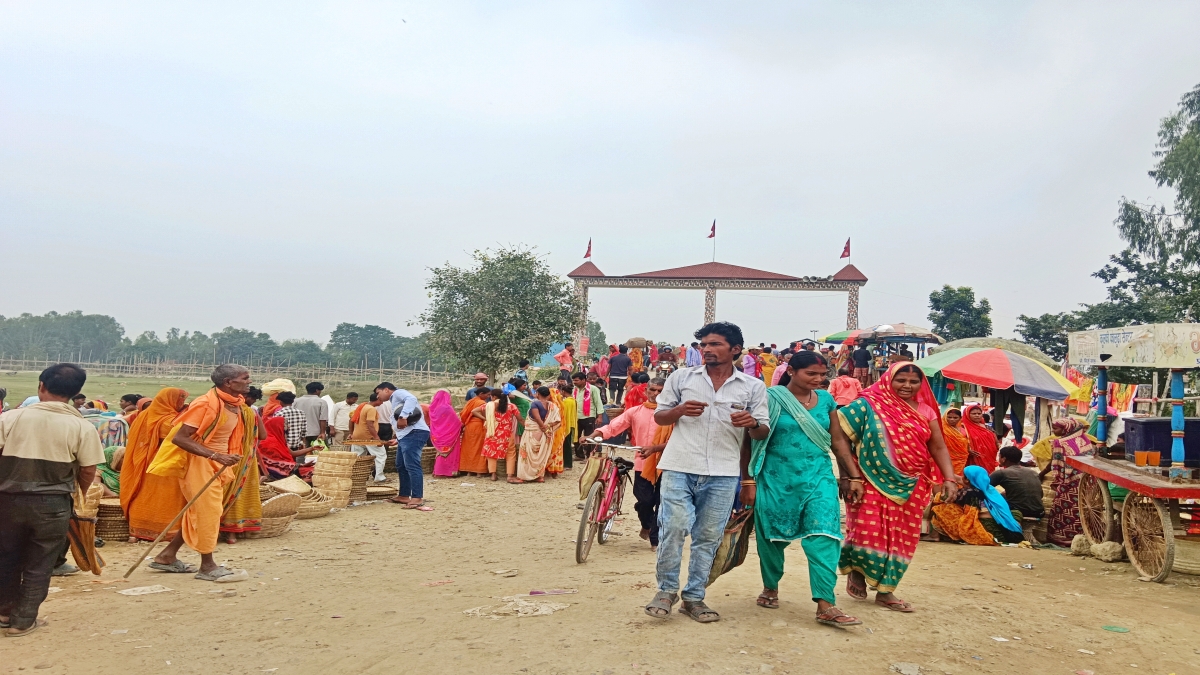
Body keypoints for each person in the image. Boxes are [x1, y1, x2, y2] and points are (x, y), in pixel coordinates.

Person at [645, 321, 769, 624]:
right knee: (673, 527)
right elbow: (660, 416)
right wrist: (679, 411)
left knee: (708, 536)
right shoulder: (681, 377)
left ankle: (694, 597)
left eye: (714, 344)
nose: (706, 350)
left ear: (735, 349)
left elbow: (763, 431)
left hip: (724, 472)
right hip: (679, 465)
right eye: (703, 345)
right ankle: (666, 590)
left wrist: (750, 423)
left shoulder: (752, 387)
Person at [743, 351, 863, 626]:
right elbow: (748, 440)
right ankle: (770, 585)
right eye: (812, 374)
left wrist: (851, 476)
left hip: (818, 477)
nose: (819, 379)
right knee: (772, 537)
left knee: (825, 534)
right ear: (792, 372)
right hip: (775, 478)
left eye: (823, 374)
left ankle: (825, 603)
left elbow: (838, 441)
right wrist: (748, 481)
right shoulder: (770, 397)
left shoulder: (827, 400)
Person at [837, 362, 959, 613]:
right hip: (869, 478)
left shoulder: (926, 410)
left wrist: (949, 478)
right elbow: (838, 437)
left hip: (912, 482)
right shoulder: (867, 404)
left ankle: (886, 590)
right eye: (901, 380)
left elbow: (937, 446)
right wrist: (849, 475)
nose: (907, 386)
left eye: (914, 382)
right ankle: (858, 571)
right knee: (867, 531)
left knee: (902, 537)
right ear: (888, 380)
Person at [0, 363, 104, 637]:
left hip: (7, 502)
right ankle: (23, 621)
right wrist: (76, 494)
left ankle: (4, 612)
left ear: (41, 386)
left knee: (6, 557)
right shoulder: (81, 427)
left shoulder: (10, 418)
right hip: (53, 504)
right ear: (76, 393)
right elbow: (89, 470)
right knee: (40, 561)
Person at [144, 365, 256, 581]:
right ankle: (207, 566)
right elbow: (180, 438)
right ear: (228, 383)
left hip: (220, 463)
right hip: (201, 463)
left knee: (197, 510)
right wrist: (215, 456)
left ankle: (166, 556)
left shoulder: (236, 404)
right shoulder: (205, 404)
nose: (249, 382)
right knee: (208, 513)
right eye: (245, 378)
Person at [587, 378, 670, 548]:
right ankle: (646, 525)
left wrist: (655, 449)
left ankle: (656, 540)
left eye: (660, 391)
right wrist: (594, 434)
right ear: (646, 391)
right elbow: (613, 426)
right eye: (653, 390)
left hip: (667, 463)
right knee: (645, 501)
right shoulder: (635, 411)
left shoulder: (671, 414)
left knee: (663, 502)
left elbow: (677, 439)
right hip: (642, 463)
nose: (656, 394)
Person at [120, 387, 189, 541]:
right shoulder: (167, 419)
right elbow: (175, 434)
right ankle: (165, 531)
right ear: (170, 400)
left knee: (144, 494)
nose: (182, 403)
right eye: (180, 400)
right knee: (166, 497)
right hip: (164, 463)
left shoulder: (143, 415)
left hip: (145, 462)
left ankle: (137, 530)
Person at [929, 465, 1023, 545]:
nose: (961, 477)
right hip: (1003, 531)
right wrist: (945, 474)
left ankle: (934, 535)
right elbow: (961, 480)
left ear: (967, 480)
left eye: (964, 476)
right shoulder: (991, 490)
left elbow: (943, 497)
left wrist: (936, 485)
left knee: (941, 508)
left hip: (986, 529)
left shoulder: (969, 492)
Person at [220, 387, 266, 544]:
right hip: (247, 460)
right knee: (241, 492)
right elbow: (263, 435)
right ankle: (234, 531)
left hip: (226, 457)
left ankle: (218, 528)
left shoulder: (226, 409)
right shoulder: (252, 413)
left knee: (224, 490)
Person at [376, 382, 430, 508]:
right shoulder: (394, 400)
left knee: (412, 465)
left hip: (414, 433)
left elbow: (412, 398)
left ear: (386, 390)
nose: (378, 396)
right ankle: (404, 495)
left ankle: (417, 497)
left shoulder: (398, 393)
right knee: (401, 465)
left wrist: (403, 416)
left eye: (378, 393)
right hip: (407, 435)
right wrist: (398, 439)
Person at [1041, 418, 1092, 546]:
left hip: (1068, 482)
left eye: (1056, 428)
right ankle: (1080, 538)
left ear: (1066, 429)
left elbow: (1056, 465)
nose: (1053, 431)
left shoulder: (1059, 442)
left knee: (1061, 510)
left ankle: (1060, 538)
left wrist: (1054, 479)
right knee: (1081, 509)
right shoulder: (1084, 439)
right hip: (1086, 482)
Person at [515, 387, 562, 482]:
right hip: (545, 434)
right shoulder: (552, 406)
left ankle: (523, 477)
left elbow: (536, 417)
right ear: (548, 395)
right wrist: (547, 427)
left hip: (533, 432)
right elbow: (557, 421)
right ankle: (540, 476)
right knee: (542, 455)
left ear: (537, 394)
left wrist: (543, 427)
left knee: (527, 454)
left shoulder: (535, 404)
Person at [476, 387, 521, 483]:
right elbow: (520, 419)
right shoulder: (511, 406)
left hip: (492, 433)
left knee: (491, 454)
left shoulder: (489, 405)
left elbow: (474, 411)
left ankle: (493, 475)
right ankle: (509, 476)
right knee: (510, 454)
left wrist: (486, 419)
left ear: (494, 397)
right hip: (507, 434)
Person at [990, 446, 1045, 520]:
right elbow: (1040, 495)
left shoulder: (1001, 473)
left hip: (1020, 512)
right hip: (1040, 512)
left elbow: (983, 487)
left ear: (1003, 459)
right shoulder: (1033, 472)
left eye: (999, 456)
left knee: (989, 499)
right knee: (1004, 494)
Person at [347, 393, 387, 482]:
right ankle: (379, 477)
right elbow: (370, 424)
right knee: (381, 455)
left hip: (357, 436)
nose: (382, 403)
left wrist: (351, 433)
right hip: (369, 437)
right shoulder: (371, 409)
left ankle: (356, 476)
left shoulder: (362, 406)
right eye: (381, 401)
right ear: (378, 399)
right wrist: (376, 438)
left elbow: (351, 420)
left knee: (358, 457)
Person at [429, 390, 463, 478]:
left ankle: (438, 471)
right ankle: (447, 472)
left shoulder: (433, 408)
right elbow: (456, 422)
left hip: (438, 434)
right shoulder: (447, 408)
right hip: (450, 434)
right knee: (450, 453)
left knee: (441, 453)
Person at [458, 388, 491, 475]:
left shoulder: (471, 401)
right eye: (487, 395)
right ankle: (478, 471)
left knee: (468, 448)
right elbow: (484, 414)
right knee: (479, 447)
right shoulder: (482, 403)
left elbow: (463, 413)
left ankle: (468, 470)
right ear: (481, 393)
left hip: (469, 426)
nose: (488, 396)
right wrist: (486, 419)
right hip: (478, 425)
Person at [571, 372, 604, 460]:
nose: (574, 382)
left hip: (589, 416)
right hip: (577, 416)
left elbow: (598, 402)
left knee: (589, 437)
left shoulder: (593, 389)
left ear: (583, 380)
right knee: (576, 436)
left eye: (576, 380)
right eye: (573, 380)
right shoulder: (575, 389)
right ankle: (579, 455)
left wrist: (600, 416)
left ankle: (590, 456)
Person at [962, 404, 999, 473]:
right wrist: (967, 449)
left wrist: (997, 445)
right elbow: (960, 441)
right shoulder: (963, 427)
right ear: (967, 414)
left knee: (989, 474)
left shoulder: (987, 427)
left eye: (979, 413)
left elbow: (995, 439)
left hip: (989, 456)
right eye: (974, 413)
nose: (977, 415)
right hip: (974, 457)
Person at [941, 408, 970, 477]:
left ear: (960, 418)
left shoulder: (963, 429)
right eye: (949, 417)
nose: (952, 419)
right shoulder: (941, 429)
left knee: (959, 476)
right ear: (945, 417)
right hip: (946, 458)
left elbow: (966, 442)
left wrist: (969, 450)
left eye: (955, 417)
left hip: (961, 458)